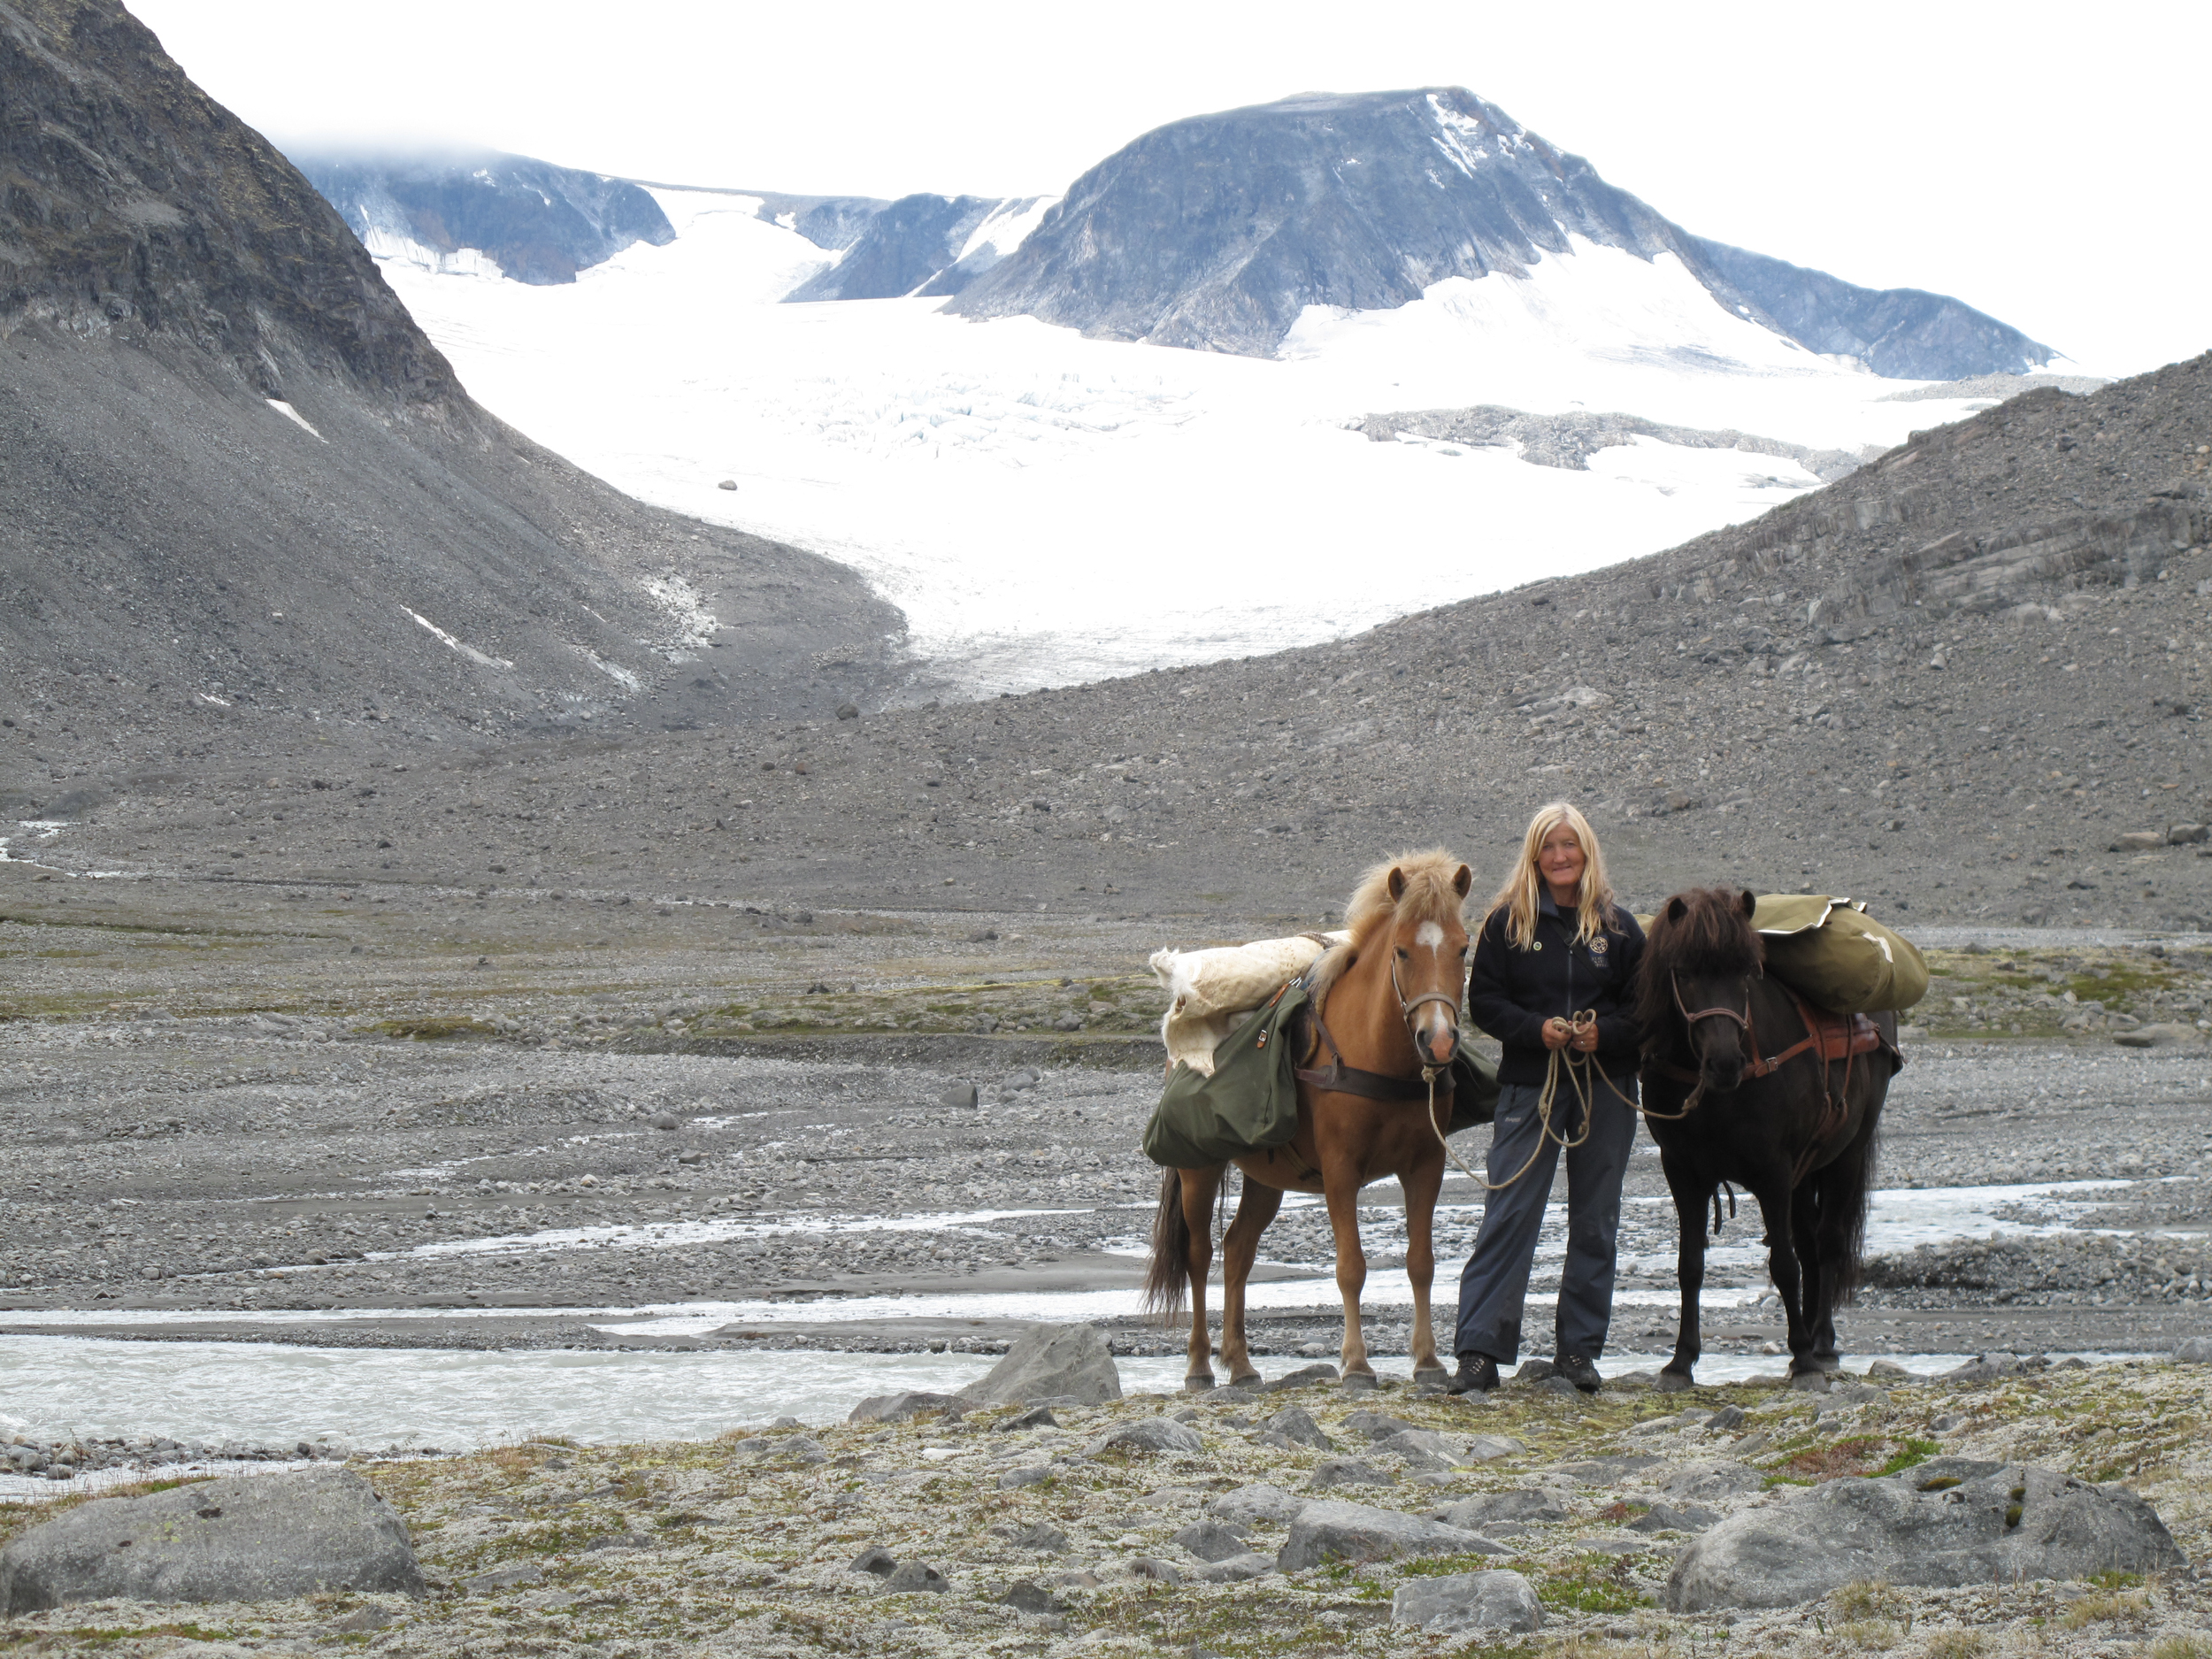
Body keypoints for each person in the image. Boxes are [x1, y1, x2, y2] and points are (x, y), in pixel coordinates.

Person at [1448, 802, 1644, 1394]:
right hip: (1530, 1084)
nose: (1561, 856)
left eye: (1570, 845)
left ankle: (1578, 1352)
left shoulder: (1621, 928)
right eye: (1550, 846)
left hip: (1604, 1087)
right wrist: (1536, 1029)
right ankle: (1480, 1352)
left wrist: (1600, 1033)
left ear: (1587, 851)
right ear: (1535, 854)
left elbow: (1643, 1010)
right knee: (1508, 1214)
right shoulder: (1507, 924)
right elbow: (1483, 1001)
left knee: (1595, 1218)